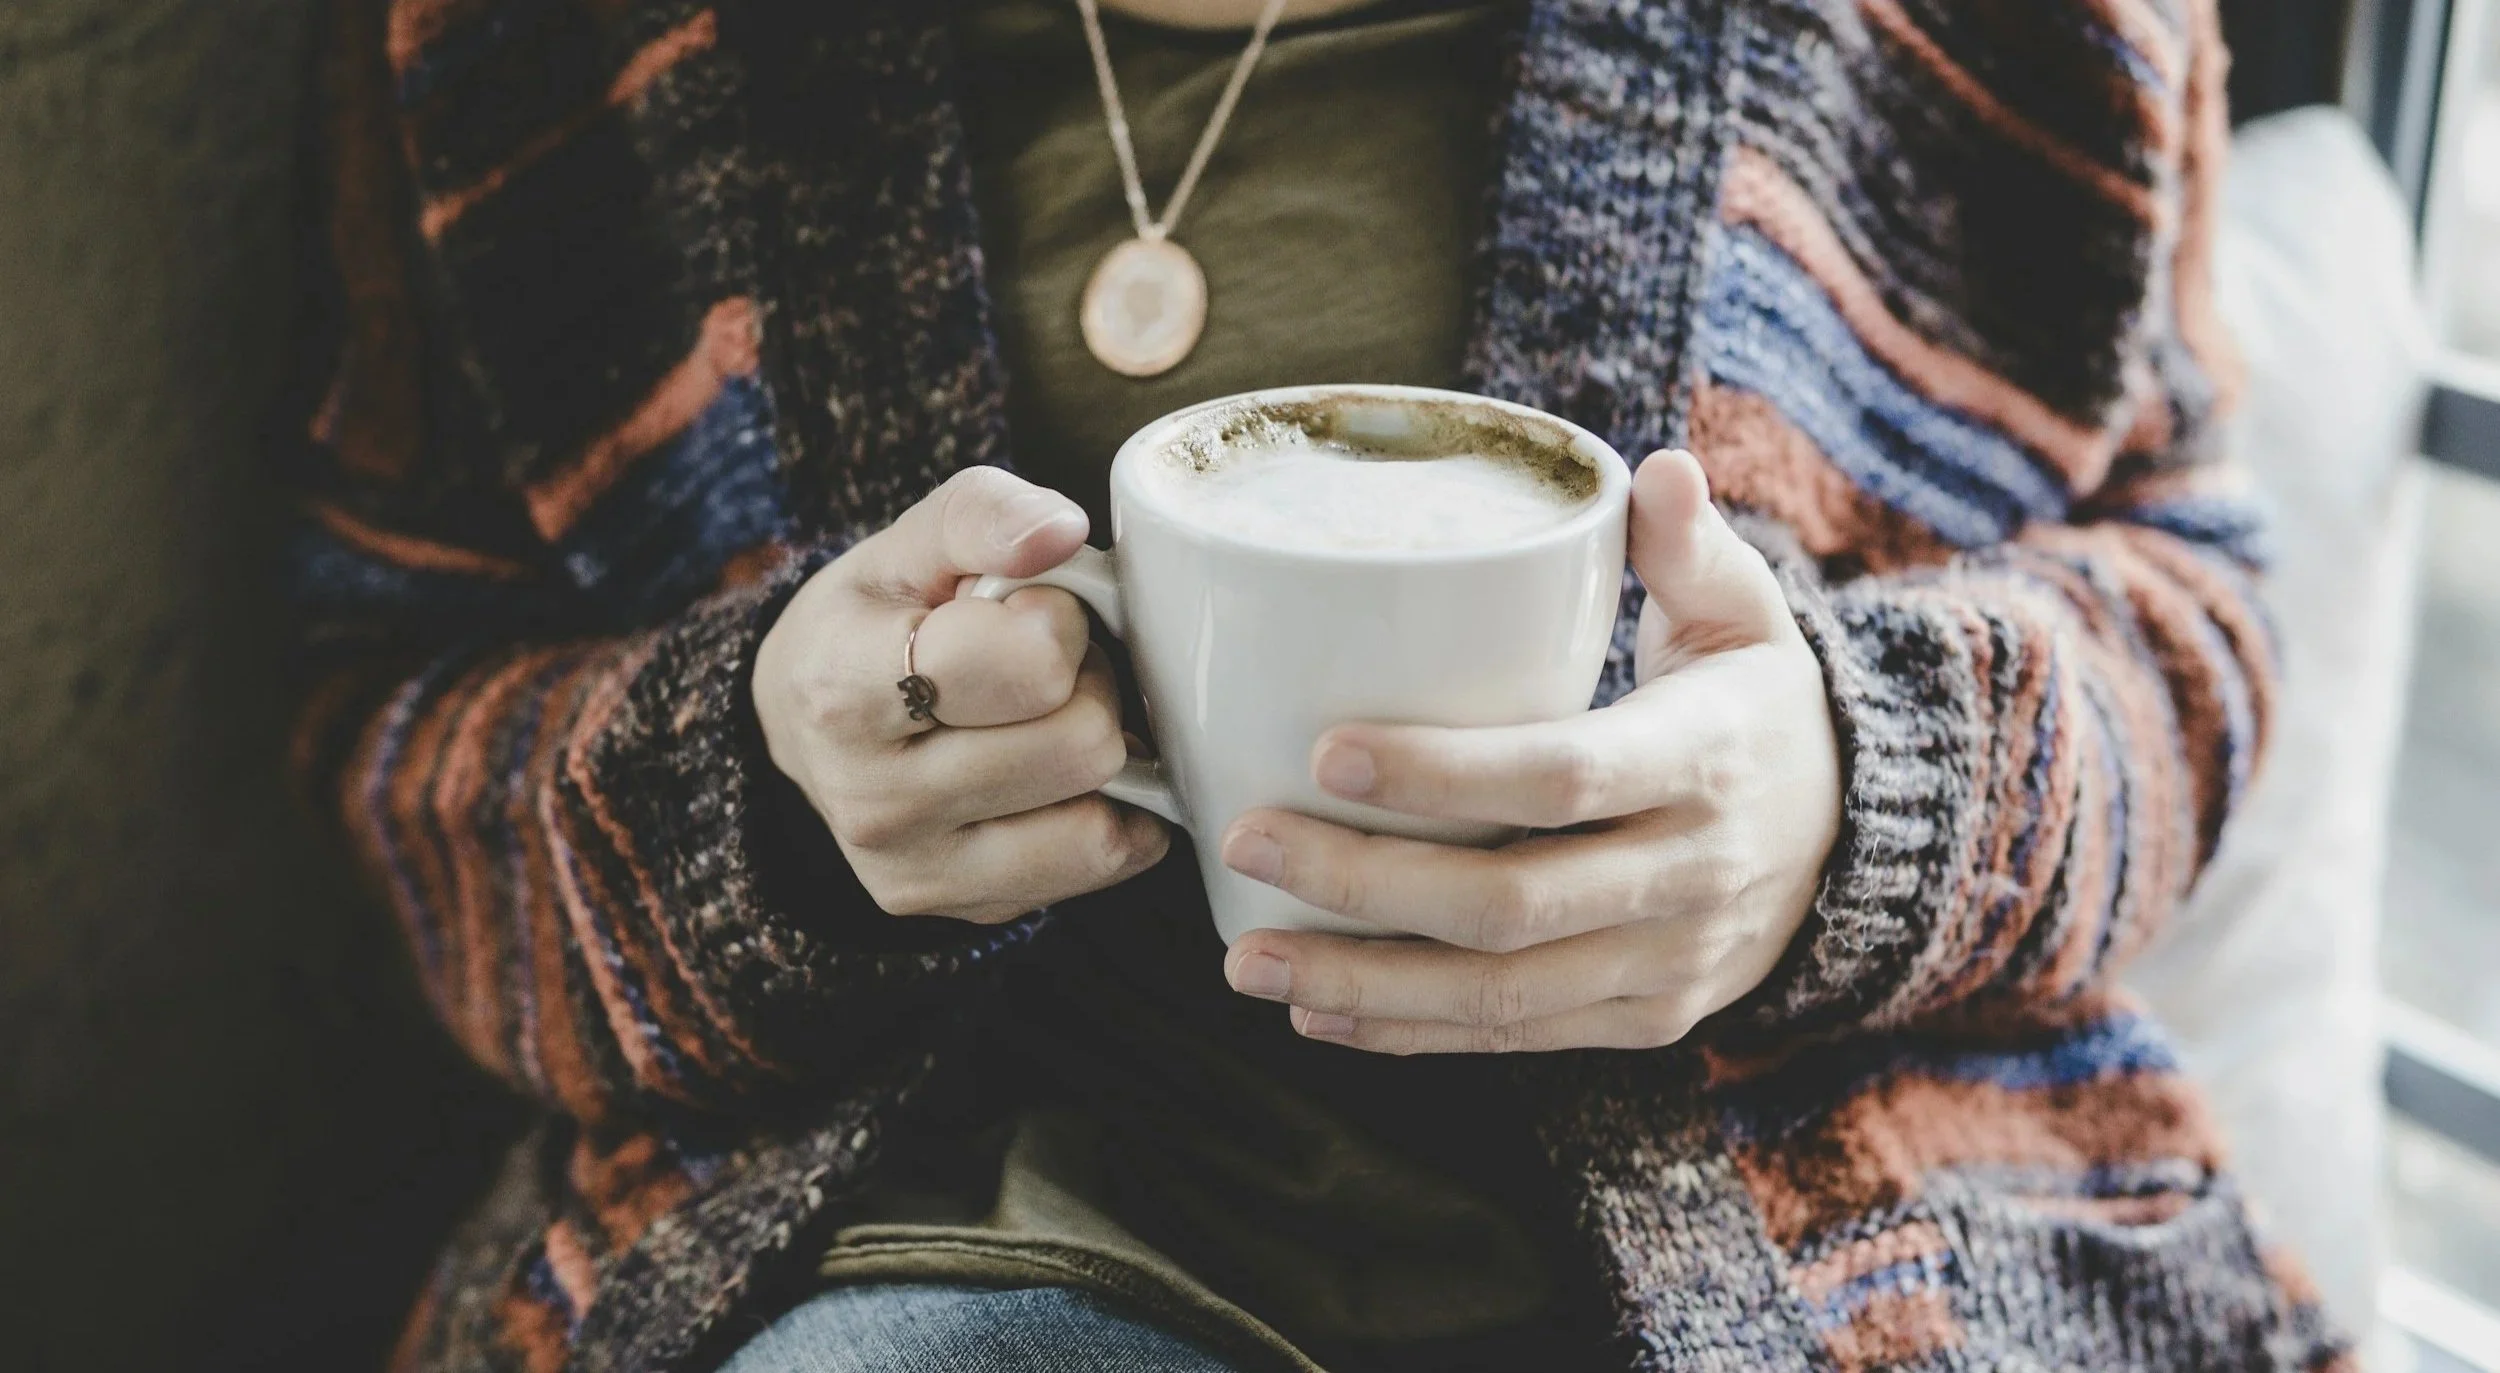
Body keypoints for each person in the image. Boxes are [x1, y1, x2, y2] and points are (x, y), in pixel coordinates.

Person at [296, 0, 2350, 1369]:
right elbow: (403, 729)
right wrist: (757, 796)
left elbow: (2191, 614)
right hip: (950, 1248)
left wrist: (1858, 793)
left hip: (1836, 1245)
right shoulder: (534, 55)